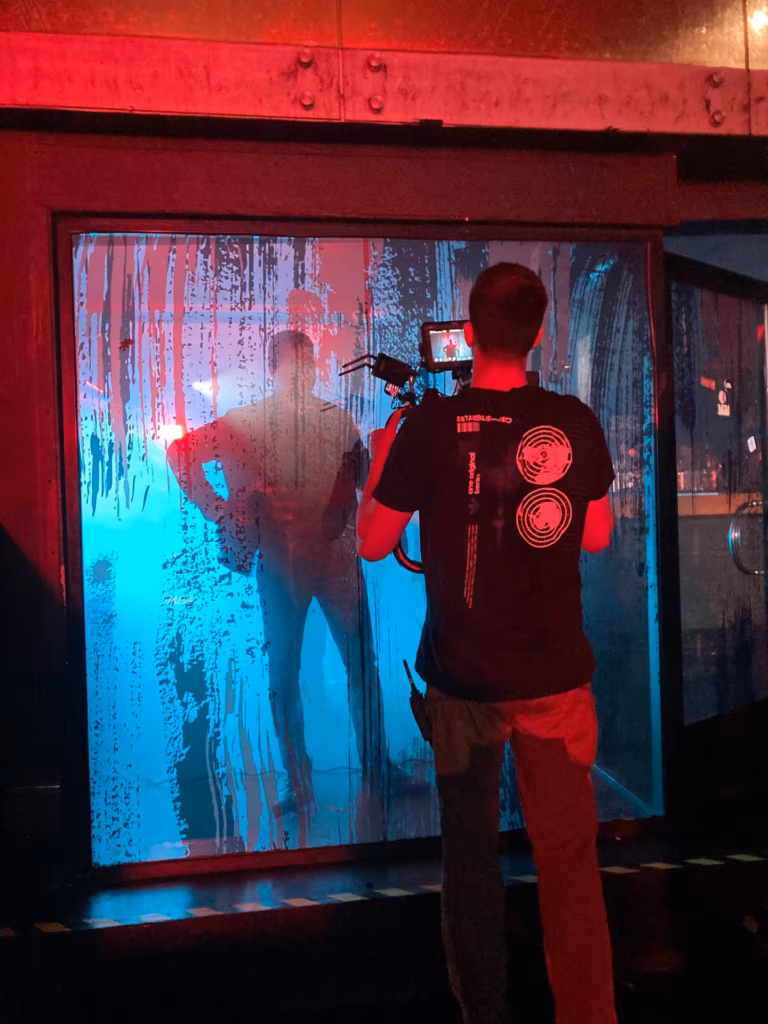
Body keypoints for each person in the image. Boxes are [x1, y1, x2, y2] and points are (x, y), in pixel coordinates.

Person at [357, 263, 617, 1024]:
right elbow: (597, 535)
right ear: (540, 333)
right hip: (556, 678)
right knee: (569, 864)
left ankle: (485, 1013)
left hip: (463, 679)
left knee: (470, 865)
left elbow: (374, 542)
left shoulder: (430, 426)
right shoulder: (572, 421)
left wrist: (383, 453)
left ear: (469, 335)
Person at [168, 329, 389, 840]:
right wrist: (222, 511)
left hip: (306, 560)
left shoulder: (304, 420)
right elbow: (181, 452)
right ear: (277, 370)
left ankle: (314, 782)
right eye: (298, 366)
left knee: (312, 672)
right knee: (319, 671)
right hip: (309, 560)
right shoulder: (297, 420)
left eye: (306, 366)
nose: (303, 375)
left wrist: (221, 511)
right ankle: (346, 776)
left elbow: (181, 453)